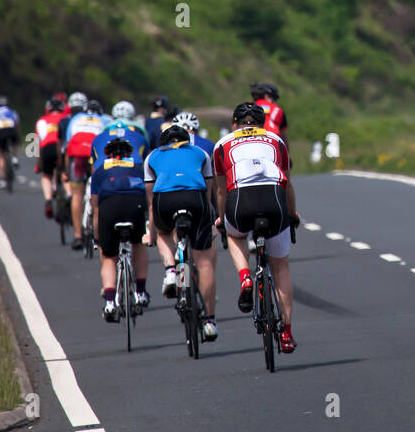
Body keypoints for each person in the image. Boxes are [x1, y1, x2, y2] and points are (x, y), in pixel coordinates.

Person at [213, 102, 299, 353]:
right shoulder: (275, 139)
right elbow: (287, 183)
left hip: (240, 201)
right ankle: (286, 333)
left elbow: (220, 191)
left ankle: (245, 279)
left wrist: (221, 220)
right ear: (262, 123)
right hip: (274, 199)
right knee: (280, 267)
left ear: (234, 124)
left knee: (234, 234)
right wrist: (292, 215)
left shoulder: (222, 144)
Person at [145, 124, 218, 340]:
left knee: (164, 233)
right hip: (195, 199)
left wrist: (151, 232)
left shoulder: (152, 156)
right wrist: (206, 216)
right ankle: (210, 321)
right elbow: (208, 191)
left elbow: (151, 201)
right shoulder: (200, 153)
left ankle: (170, 270)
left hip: (165, 201)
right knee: (203, 261)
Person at [89, 137, 150, 321]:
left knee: (109, 257)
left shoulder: (99, 172)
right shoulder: (137, 167)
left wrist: (97, 237)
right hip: (135, 205)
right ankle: (140, 292)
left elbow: (95, 209)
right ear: (129, 154)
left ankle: (109, 302)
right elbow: (148, 198)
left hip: (110, 207)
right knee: (138, 244)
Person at [61, 92, 107, 251]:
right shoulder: (103, 120)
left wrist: (66, 170)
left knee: (77, 195)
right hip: (94, 155)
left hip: (77, 156)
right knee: (98, 193)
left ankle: (78, 236)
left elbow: (67, 147)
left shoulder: (74, 119)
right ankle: (98, 231)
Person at [35, 97, 70, 217]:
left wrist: (38, 164)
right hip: (62, 148)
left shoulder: (41, 120)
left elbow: (36, 143)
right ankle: (69, 194)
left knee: (46, 175)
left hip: (47, 147)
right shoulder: (66, 119)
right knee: (65, 173)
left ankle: (48, 200)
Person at [0, 96, 20, 188]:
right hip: (11, 130)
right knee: (15, 143)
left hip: (0, 133)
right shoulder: (12, 111)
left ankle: (3, 179)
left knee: (2, 156)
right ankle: (15, 158)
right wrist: (18, 137)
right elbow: (17, 125)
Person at [250, 82, 289, 146]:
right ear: (267, 96)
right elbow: (284, 137)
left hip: (251, 141)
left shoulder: (248, 107)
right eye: (275, 99)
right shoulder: (278, 110)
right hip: (273, 140)